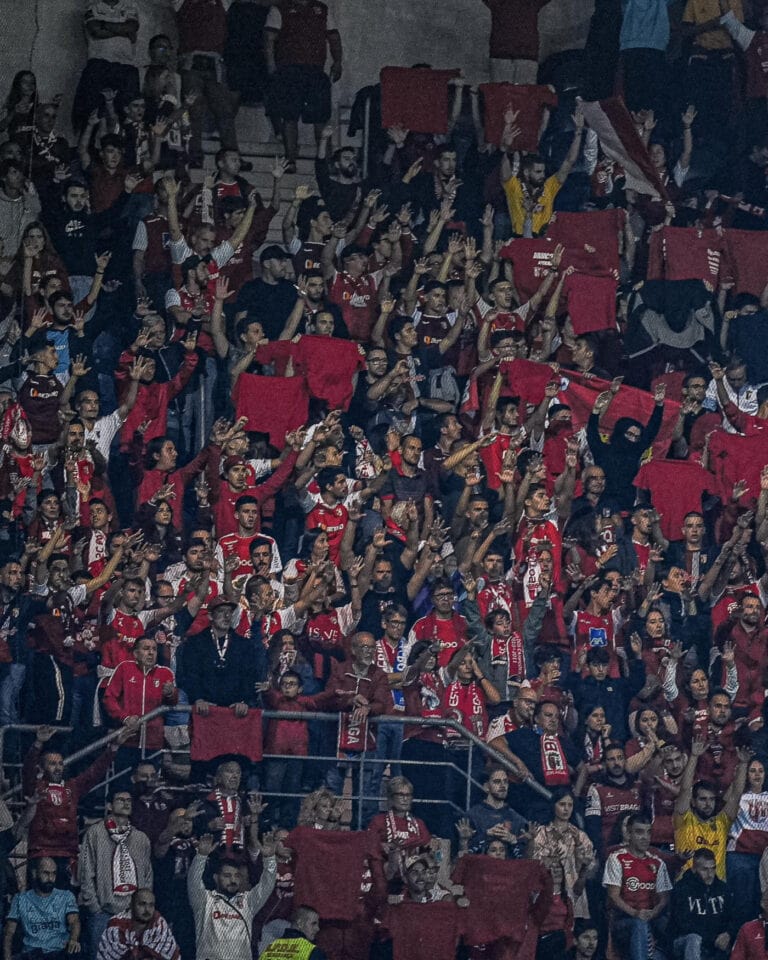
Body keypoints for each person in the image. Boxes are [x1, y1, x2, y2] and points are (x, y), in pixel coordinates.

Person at [264, 0, 343, 172]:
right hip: (289, 70)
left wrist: (337, 62)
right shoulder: (280, 8)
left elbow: (334, 37)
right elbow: (269, 39)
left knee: (321, 118)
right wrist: (272, 67)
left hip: (315, 70)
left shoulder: (322, 9)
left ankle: (326, 161)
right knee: (289, 116)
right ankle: (290, 160)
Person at [79, 788, 153, 958]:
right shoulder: (95, 833)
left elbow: (148, 876)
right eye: (121, 799)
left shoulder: (141, 838)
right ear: (109, 806)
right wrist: (95, 908)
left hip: (134, 914)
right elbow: (86, 872)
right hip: (104, 913)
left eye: (129, 800)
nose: (126, 803)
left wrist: (143, 907)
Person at [187, 827, 277, 960]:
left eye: (236, 876)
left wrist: (269, 858)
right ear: (216, 878)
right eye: (227, 876)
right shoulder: (205, 900)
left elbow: (267, 884)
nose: (233, 880)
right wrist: (201, 856)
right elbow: (193, 880)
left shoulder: (248, 901)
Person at [603, 812, 672, 960]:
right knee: (639, 924)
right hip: (623, 921)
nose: (645, 837)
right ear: (628, 834)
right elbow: (613, 896)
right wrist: (636, 914)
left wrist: (653, 912)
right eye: (639, 832)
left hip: (651, 919)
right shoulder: (617, 858)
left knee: (670, 925)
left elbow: (664, 898)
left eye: (648, 832)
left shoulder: (657, 862)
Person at [3, 858, 80, 960]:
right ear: (35, 873)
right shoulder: (20, 899)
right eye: (46, 873)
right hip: (31, 954)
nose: (50, 878)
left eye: (53, 874)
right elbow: (9, 933)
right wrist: (7, 958)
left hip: (58, 952)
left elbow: (74, 921)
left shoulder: (66, 896)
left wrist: (73, 939)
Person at [671, 848, 732, 960]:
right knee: (694, 939)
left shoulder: (723, 889)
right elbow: (684, 925)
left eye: (713, 869)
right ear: (694, 869)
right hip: (683, 942)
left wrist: (728, 934)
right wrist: (713, 939)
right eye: (704, 869)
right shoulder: (682, 888)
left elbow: (733, 916)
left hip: (714, 944)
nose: (710, 874)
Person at [95, 888, 180, 960]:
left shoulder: (159, 924)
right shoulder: (116, 927)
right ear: (131, 906)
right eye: (142, 904)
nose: (147, 910)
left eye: (151, 905)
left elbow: (173, 956)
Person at [258, 905, 327, 960]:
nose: (317, 929)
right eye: (313, 924)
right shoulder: (312, 951)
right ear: (300, 923)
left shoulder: (270, 948)